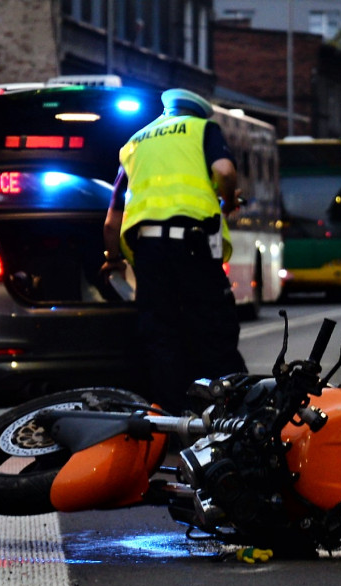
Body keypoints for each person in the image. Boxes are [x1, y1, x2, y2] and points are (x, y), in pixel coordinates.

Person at [100, 88, 247, 414]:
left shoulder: (135, 143)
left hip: (150, 253)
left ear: (166, 112)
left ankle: (169, 419)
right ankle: (230, 415)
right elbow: (224, 171)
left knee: (161, 336)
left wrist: (112, 260)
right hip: (193, 248)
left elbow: (112, 219)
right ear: (197, 113)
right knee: (214, 331)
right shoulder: (201, 129)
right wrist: (229, 200)